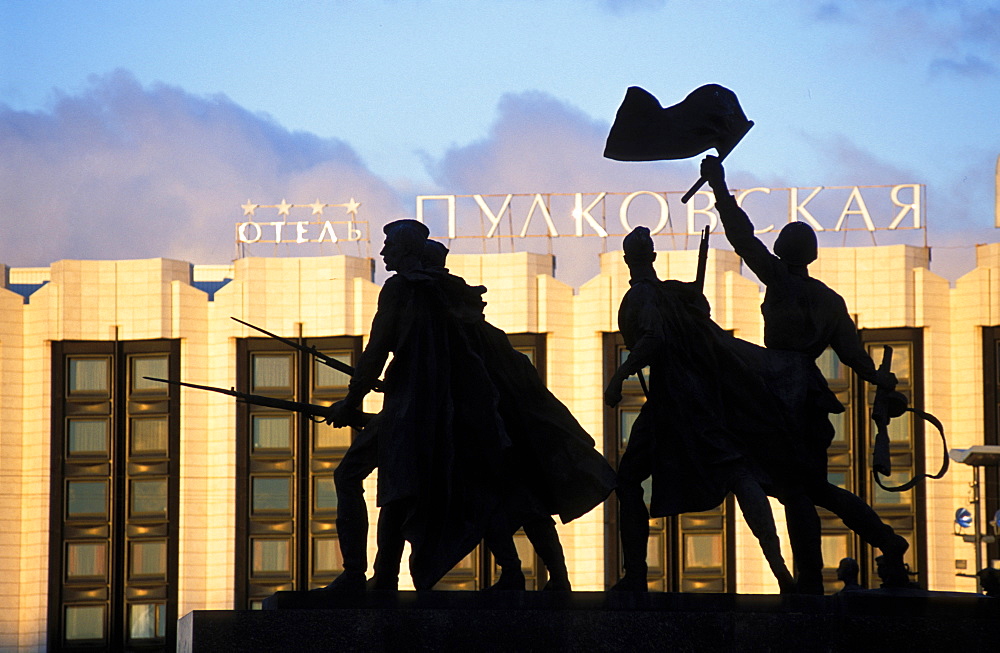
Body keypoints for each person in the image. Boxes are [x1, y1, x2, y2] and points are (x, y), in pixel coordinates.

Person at [700, 155, 910, 590]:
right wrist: (881, 381)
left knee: (801, 493)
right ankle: (884, 542)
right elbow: (855, 357)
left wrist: (719, 188)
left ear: (781, 252)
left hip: (780, 389)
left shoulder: (779, 280)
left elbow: (741, 238)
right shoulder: (830, 301)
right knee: (812, 490)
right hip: (807, 394)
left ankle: (814, 579)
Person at [605, 226, 797, 592]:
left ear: (628, 260)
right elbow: (700, 315)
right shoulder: (675, 293)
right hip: (701, 397)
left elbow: (652, 339)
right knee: (738, 473)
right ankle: (779, 568)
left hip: (671, 400)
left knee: (628, 479)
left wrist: (619, 379)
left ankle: (635, 575)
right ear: (654, 258)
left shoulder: (643, 295)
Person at [326, 219, 515, 591]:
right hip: (443, 411)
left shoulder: (399, 289)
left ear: (406, 250)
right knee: (408, 492)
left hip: (408, 409)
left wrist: (351, 401)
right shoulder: (448, 291)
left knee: (355, 478)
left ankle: (358, 575)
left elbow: (377, 349)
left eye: (388, 246)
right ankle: (383, 578)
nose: (382, 253)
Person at [422, 239, 616, 591]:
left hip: (501, 438)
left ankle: (540, 574)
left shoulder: (473, 337)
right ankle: (525, 572)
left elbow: (496, 386)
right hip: (497, 436)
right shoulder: (477, 336)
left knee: (516, 508)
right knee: (500, 508)